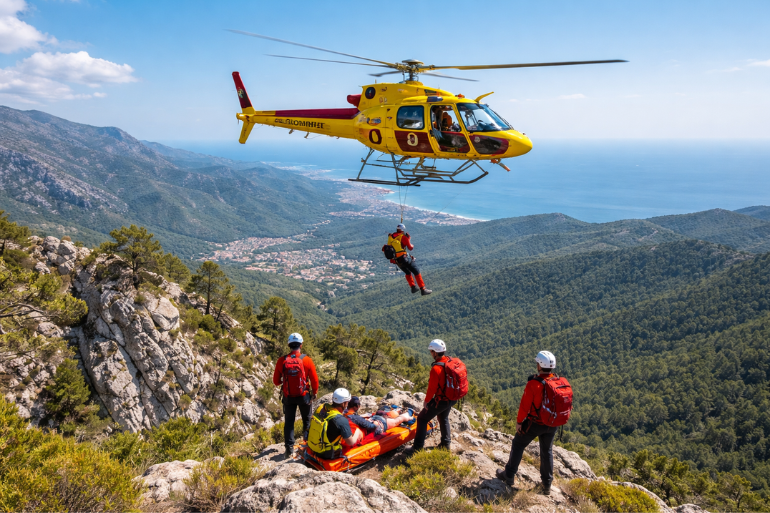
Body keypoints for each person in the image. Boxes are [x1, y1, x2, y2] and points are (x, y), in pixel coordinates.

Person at [496, 351, 560, 495]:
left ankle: (509, 475)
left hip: (535, 423)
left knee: (518, 443)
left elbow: (524, 406)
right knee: (547, 450)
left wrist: (519, 422)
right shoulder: (557, 381)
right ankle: (547, 485)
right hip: (552, 423)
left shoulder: (534, 384)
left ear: (539, 365)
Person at [272, 332, 319, 458]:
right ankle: (307, 445)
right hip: (304, 396)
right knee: (307, 420)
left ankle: (288, 449)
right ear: (301, 345)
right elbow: (314, 380)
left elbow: (276, 382)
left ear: (289, 345)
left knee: (289, 422)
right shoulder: (307, 360)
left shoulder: (282, 361)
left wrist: (286, 383)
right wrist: (314, 393)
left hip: (288, 397)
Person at [407, 339, 455, 454]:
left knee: (422, 418)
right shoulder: (449, 361)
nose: (430, 353)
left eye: (431, 351)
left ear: (434, 352)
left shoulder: (436, 369)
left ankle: (417, 448)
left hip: (443, 399)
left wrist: (426, 401)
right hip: (452, 397)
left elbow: (432, 388)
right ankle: (445, 445)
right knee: (443, 417)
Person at [307, 387, 363, 459]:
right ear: (343, 403)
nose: (347, 405)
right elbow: (351, 442)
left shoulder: (321, 407)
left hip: (313, 446)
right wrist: (358, 431)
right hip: (326, 453)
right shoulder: (341, 420)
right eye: (347, 402)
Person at [343, 396, 414, 447]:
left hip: (377, 421)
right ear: (356, 406)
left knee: (394, 419)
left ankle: (405, 412)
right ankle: (408, 413)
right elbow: (372, 426)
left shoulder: (344, 415)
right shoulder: (354, 417)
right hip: (378, 422)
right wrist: (368, 421)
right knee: (395, 418)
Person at [384, 223, 431, 295]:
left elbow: (392, 247)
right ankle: (423, 289)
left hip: (397, 260)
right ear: (403, 230)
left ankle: (413, 287)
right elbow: (410, 248)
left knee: (408, 272)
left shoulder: (390, 236)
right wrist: (409, 239)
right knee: (416, 271)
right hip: (404, 258)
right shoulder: (403, 237)